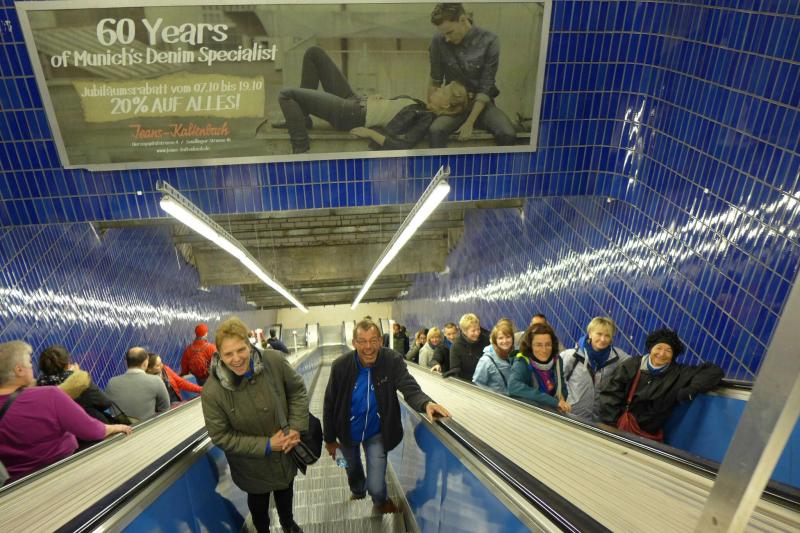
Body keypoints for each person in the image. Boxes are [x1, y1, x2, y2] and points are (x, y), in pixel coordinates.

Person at [323, 319, 450, 513]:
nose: (368, 347)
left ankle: (380, 501)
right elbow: (329, 404)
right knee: (351, 467)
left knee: (376, 483)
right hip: (347, 431)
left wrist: (426, 403)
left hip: (376, 431)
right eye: (362, 341)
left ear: (381, 341)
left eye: (373, 340)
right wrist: (330, 440)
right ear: (354, 343)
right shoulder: (341, 366)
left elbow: (409, 386)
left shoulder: (391, 360)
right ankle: (357, 490)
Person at [202, 317, 308, 533]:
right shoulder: (212, 391)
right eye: (228, 354)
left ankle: (288, 523)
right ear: (219, 354)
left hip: (285, 452)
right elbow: (220, 436)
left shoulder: (273, 361)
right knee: (258, 504)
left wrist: (296, 426)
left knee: (286, 489)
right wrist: (267, 445)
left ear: (249, 345)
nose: (236, 359)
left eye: (241, 350)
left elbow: (297, 390)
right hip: (251, 466)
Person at [277, 46, 469, 154]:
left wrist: (370, 133)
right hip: (356, 100)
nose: (438, 89)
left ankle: (300, 150)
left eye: (443, 91)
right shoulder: (420, 105)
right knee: (314, 53)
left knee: (286, 94)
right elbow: (392, 112)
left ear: (446, 104)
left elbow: (403, 145)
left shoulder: (426, 118)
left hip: (349, 114)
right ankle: (303, 119)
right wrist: (379, 100)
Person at [0, 341, 131, 484]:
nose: (32, 366)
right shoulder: (49, 395)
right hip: (63, 473)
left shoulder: (42, 390)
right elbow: (92, 430)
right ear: (19, 370)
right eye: (29, 362)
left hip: (17, 485)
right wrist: (117, 427)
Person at [598, 328, 724, 440]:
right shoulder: (632, 365)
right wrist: (611, 426)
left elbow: (714, 371)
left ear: (673, 355)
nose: (662, 354)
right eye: (658, 348)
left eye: (668, 350)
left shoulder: (679, 373)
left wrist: (693, 389)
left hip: (649, 436)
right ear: (651, 349)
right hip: (620, 429)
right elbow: (610, 395)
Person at [427, 3, 517, 148]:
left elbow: (486, 86)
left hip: (481, 105)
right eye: (443, 34)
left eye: (449, 32)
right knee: (435, 130)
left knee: (508, 134)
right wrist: (431, 109)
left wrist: (470, 122)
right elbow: (435, 81)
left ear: (463, 20)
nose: (446, 39)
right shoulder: (438, 40)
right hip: (453, 107)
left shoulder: (490, 40)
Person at [560, 317, 630, 421]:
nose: (603, 339)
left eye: (607, 336)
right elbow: (556, 380)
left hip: (598, 422)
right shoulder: (571, 356)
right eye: (599, 334)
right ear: (590, 334)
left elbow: (638, 364)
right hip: (570, 416)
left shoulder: (617, 357)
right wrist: (560, 401)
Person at [37, 344, 113, 423]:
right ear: (67, 364)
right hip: (91, 427)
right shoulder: (80, 382)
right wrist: (77, 375)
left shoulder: (39, 388)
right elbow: (105, 403)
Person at [509, 324, 570, 413]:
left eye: (548, 344)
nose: (544, 350)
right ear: (530, 346)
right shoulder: (522, 361)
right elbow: (513, 386)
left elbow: (561, 386)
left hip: (550, 412)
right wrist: (553, 402)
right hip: (528, 413)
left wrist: (562, 397)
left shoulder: (557, 361)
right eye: (538, 345)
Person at [106, 347, 171, 423]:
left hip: (121, 429)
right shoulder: (156, 381)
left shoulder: (111, 383)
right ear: (145, 363)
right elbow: (165, 410)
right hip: (149, 427)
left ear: (126, 363)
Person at [472, 322, 516, 394]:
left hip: (517, 399)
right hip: (497, 399)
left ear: (512, 338)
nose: (505, 341)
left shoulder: (517, 354)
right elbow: (477, 384)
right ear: (495, 340)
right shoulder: (486, 360)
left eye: (508, 337)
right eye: (500, 338)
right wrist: (494, 395)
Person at [447, 313, 490, 380]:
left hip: (485, 381)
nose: (477, 333)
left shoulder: (486, 340)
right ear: (464, 331)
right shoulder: (456, 346)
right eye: (473, 331)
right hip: (467, 383)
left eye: (478, 329)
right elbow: (455, 369)